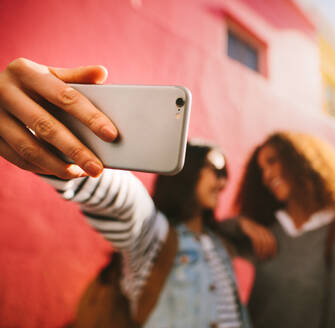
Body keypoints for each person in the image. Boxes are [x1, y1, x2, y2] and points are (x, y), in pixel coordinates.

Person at [0, 58, 250, 327]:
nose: (223, 182)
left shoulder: (223, 240)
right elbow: (122, 198)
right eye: (215, 169)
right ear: (188, 171)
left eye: (225, 174)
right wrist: (52, 139)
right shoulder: (153, 236)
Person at [228, 131, 335, 328]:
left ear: (299, 160)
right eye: (262, 169)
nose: (267, 176)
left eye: (272, 162)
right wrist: (241, 224)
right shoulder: (269, 231)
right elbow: (209, 232)